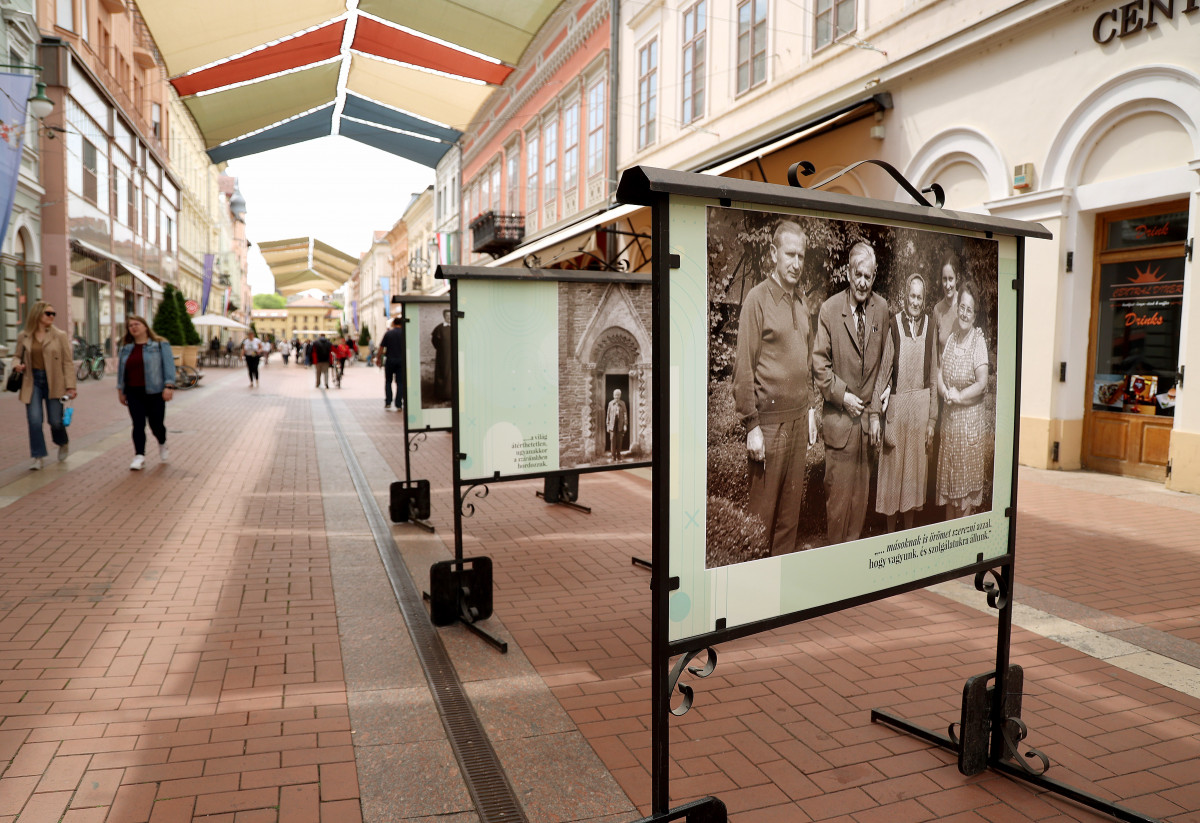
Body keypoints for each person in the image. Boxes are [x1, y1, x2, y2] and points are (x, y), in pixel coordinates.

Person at [731, 220, 817, 556]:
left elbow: (806, 363)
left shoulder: (802, 302)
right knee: (760, 521)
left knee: (788, 521)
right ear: (773, 253)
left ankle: (778, 586)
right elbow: (743, 368)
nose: (796, 263)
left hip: (797, 423)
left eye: (801, 256)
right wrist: (751, 426)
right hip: (768, 426)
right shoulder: (756, 300)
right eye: (790, 254)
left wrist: (810, 410)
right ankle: (751, 585)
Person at [813, 241, 890, 544]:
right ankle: (834, 567)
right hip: (840, 426)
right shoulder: (830, 310)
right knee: (838, 508)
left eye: (868, 277)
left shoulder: (881, 309)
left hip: (867, 430)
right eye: (858, 274)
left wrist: (876, 412)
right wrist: (843, 396)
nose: (862, 282)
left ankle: (853, 568)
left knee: (859, 508)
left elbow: (885, 364)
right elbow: (819, 366)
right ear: (848, 273)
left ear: (874, 276)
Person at [875, 273, 940, 532]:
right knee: (892, 478)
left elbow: (933, 377)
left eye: (919, 297)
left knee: (913, 480)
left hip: (919, 414)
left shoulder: (930, 326)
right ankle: (890, 536)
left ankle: (908, 536)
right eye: (912, 296)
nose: (915, 301)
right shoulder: (894, 324)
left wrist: (932, 420)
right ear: (905, 296)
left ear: (924, 300)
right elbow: (884, 371)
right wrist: (877, 413)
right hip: (898, 409)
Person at [936, 280, 990, 520]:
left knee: (964, 496)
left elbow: (982, 383)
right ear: (957, 308)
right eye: (962, 308)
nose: (965, 314)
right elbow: (940, 372)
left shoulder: (978, 342)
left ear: (975, 314)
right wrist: (944, 391)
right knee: (950, 492)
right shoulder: (952, 338)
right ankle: (950, 537)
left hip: (968, 429)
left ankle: (961, 537)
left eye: (970, 309)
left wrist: (958, 396)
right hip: (950, 427)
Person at [11, 302, 77, 470]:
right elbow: (17, 355)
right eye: (48, 313)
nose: (52, 316)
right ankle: (38, 456)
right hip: (32, 380)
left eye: (53, 313)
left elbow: (67, 362)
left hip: (54, 380)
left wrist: (71, 386)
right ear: (38, 314)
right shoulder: (24, 335)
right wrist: (16, 364)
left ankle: (62, 442)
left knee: (55, 421)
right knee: (34, 420)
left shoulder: (59, 335)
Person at [116, 315, 176, 471]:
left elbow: (169, 366)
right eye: (130, 326)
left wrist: (169, 386)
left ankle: (162, 442)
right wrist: (121, 390)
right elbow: (121, 371)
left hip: (155, 392)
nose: (133, 327)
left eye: (137, 324)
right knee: (138, 424)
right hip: (133, 392)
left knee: (156, 425)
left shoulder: (160, 345)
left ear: (145, 326)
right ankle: (139, 456)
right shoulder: (126, 348)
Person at [932, 252, 961, 356]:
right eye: (945, 279)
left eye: (951, 279)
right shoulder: (937, 310)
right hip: (942, 366)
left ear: (957, 278)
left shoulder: (965, 306)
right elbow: (934, 350)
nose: (947, 285)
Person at [377, 316, 405, 410]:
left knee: (388, 381)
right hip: (401, 361)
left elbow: (381, 347)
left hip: (390, 360)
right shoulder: (404, 333)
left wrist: (378, 358)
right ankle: (398, 404)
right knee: (400, 382)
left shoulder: (388, 333)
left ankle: (388, 402)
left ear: (393, 323)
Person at [432, 309, 452, 402]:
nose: (449, 317)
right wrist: (442, 350)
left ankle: (454, 394)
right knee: (443, 372)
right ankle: (443, 395)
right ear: (444, 316)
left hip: (455, 355)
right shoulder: (439, 328)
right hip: (443, 355)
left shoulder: (457, 326)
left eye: (450, 315)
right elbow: (435, 341)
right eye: (447, 316)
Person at [606, 389, 628, 463]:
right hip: (612, 424)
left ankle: (619, 456)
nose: (617, 397)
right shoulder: (610, 403)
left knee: (619, 440)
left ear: (620, 396)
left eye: (618, 395)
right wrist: (607, 425)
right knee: (612, 439)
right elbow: (608, 415)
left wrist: (625, 425)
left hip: (620, 424)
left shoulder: (623, 403)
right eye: (615, 395)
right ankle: (613, 456)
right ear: (613, 395)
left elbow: (625, 414)